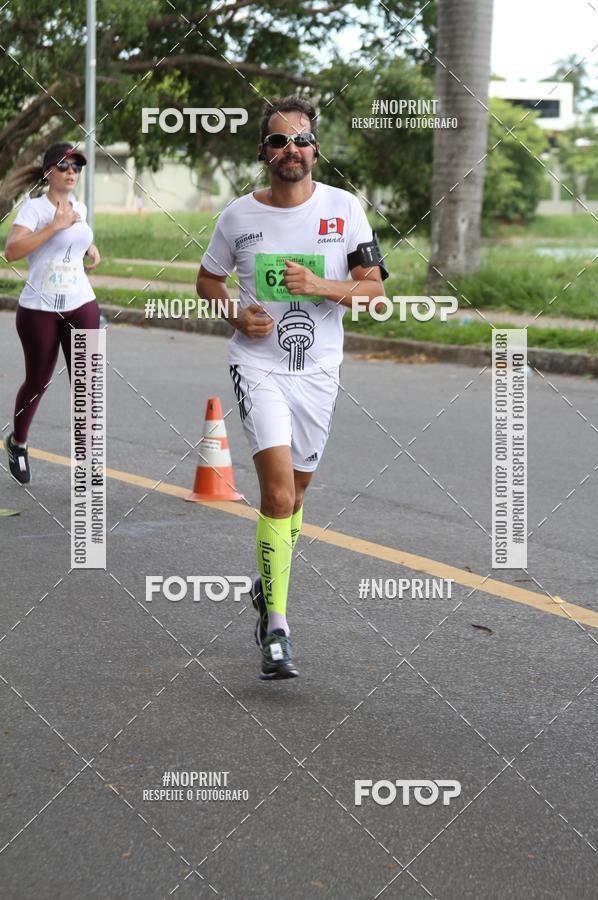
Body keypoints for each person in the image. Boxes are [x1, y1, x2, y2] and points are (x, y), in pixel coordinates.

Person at [197, 96, 388, 680]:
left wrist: (322, 286)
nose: (291, 151)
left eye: (301, 140)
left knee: (297, 497)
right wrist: (233, 315)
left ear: (315, 149)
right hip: (257, 367)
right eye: (279, 142)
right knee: (277, 496)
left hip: (319, 371)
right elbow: (207, 281)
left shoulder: (345, 209)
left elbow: (373, 291)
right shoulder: (237, 217)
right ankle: (275, 625)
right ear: (263, 151)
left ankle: (268, 575)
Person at [3, 142, 101, 484]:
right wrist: (54, 228)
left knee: (87, 384)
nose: (71, 172)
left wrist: (87, 245)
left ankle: (88, 464)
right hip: (39, 309)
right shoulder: (34, 210)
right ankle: (17, 442)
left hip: (81, 302)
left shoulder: (80, 207)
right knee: (38, 381)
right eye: (64, 166)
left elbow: (75, 237)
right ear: (48, 173)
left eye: (76, 167)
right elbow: (11, 251)